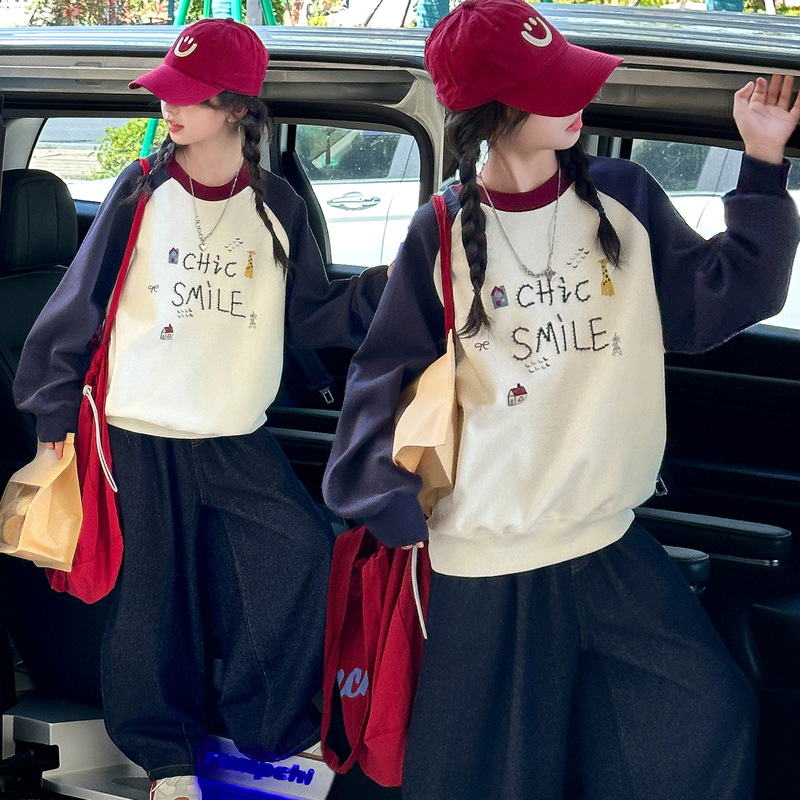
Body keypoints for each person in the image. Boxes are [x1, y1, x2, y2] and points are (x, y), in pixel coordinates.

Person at [322, 1, 800, 798]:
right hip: (488, 558)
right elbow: (383, 376)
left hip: (608, 540)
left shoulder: (623, 197)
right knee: (491, 778)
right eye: (553, 87)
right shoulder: (441, 230)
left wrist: (762, 163)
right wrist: (390, 507)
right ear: (494, 111)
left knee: (702, 717)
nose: (580, 98)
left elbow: (723, 295)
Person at [13, 18, 387, 800]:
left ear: (237, 107)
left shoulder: (278, 205)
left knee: (299, 556)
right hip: (136, 436)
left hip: (235, 436)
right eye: (166, 94)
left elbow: (310, 314)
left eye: (189, 97)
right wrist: (52, 426)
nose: (170, 109)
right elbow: (78, 307)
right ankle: (166, 760)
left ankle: (273, 728)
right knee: (150, 604)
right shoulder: (141, 190)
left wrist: (388, 287)